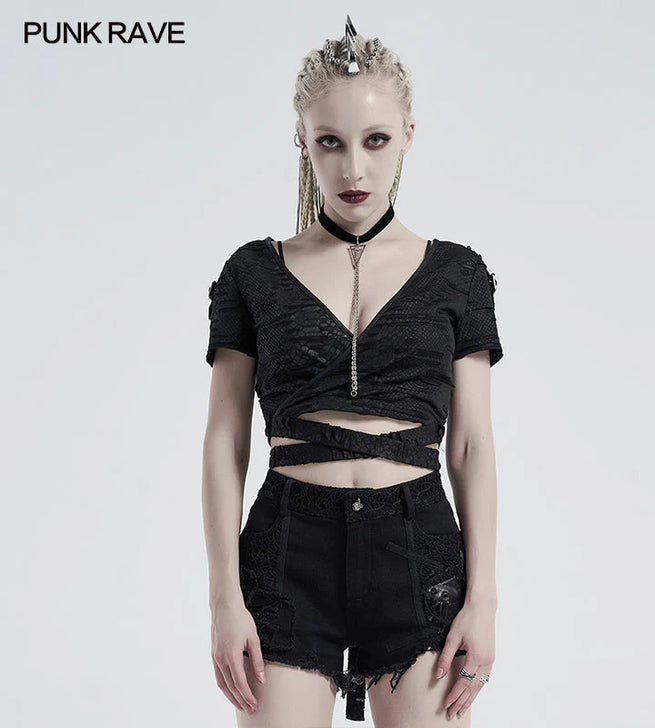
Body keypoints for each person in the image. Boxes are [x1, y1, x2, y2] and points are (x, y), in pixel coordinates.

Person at [202, 16, 503, 726]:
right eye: (330, 142)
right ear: (301, 139)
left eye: (376, 140)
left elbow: (470, 446)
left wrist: (484, 599)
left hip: (417, 550)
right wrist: (223, 600)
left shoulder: (458, 274)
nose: (353, 170)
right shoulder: (254, 272)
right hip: (286, 550)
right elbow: (224, 442)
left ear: (408, 135)